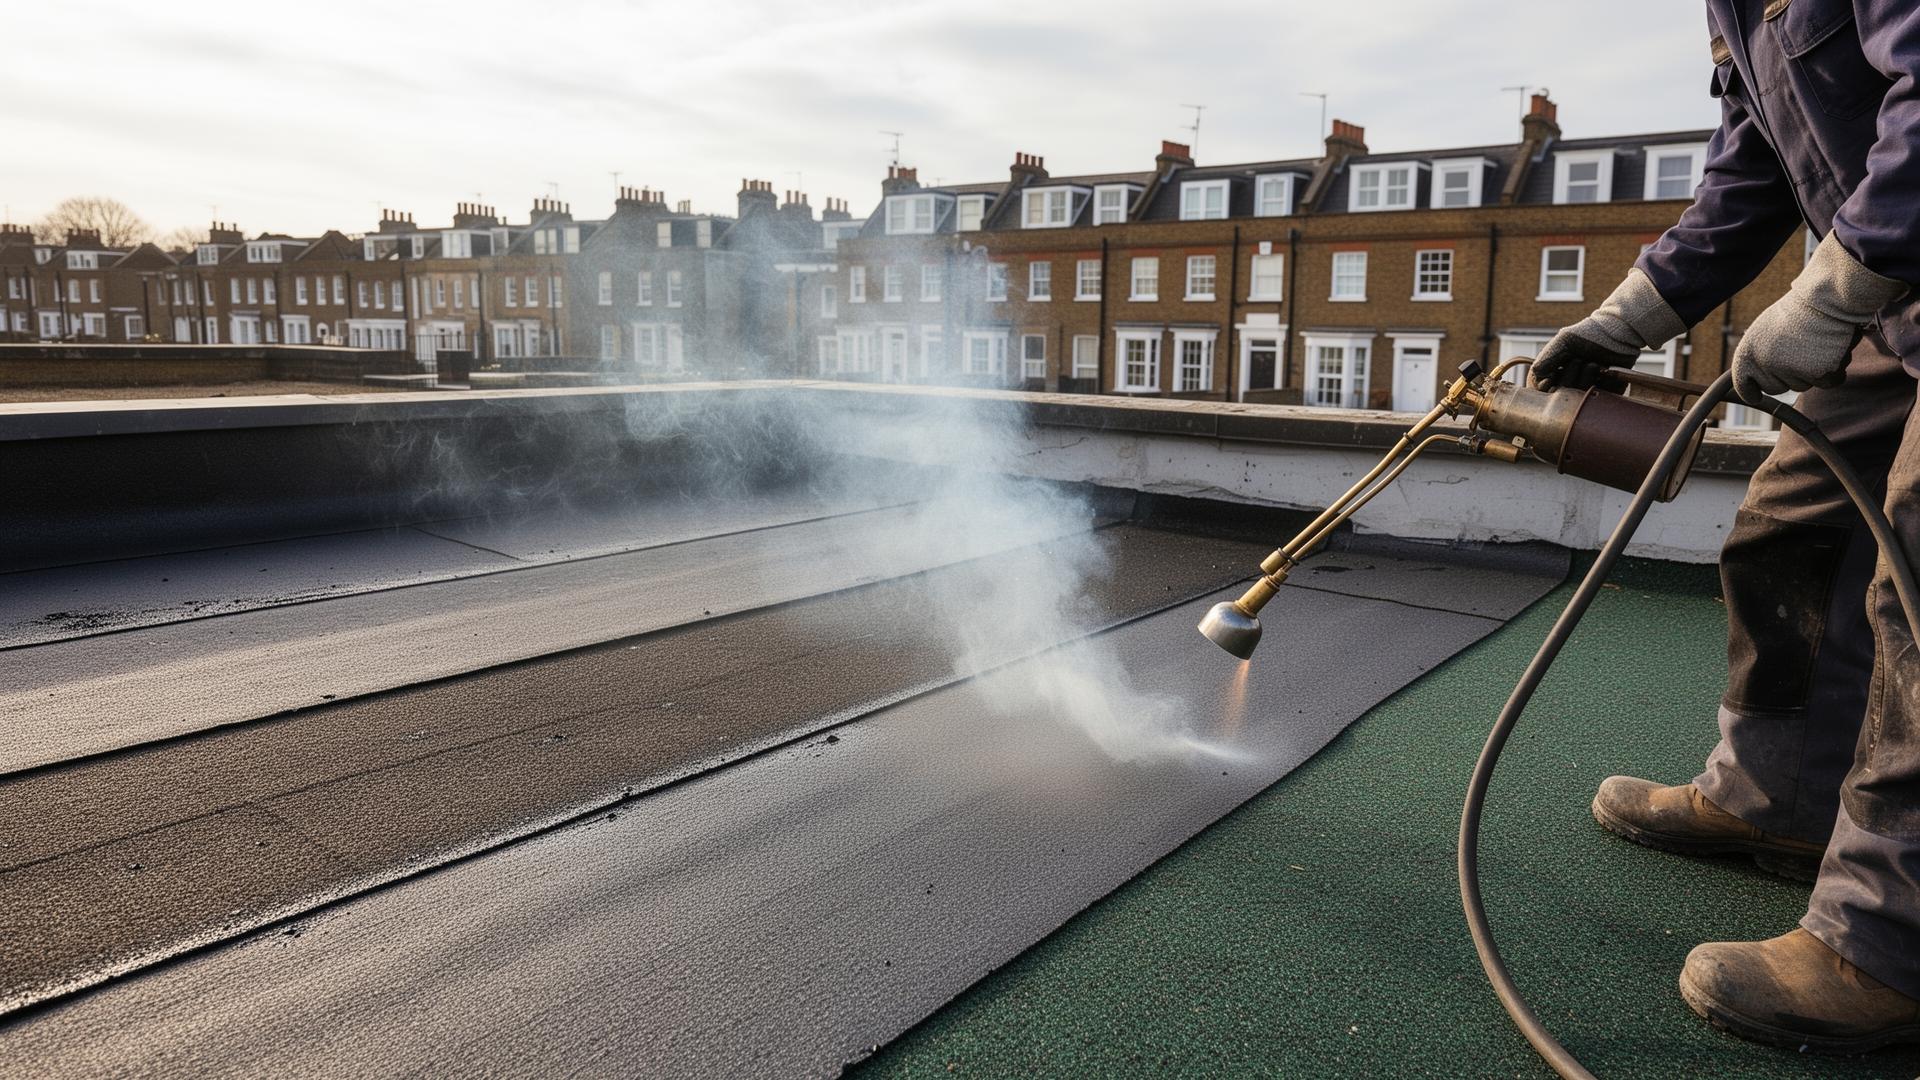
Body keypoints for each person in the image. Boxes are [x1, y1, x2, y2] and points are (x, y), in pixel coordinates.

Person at [1530, 0, 1920, 1053]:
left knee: (1917, 584)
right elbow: (1753, 166)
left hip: (1892, 265)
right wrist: (1635, 312)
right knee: (1788, 528)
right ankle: (1776, 795)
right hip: (1904, 297)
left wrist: (1838, 285)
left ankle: (1885, 945)